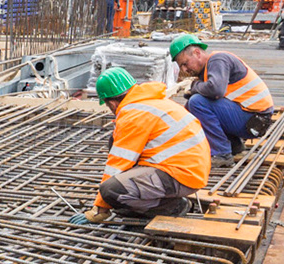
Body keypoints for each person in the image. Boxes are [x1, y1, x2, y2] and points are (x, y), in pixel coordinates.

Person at [80, 67, 210, 223]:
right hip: (188, 168)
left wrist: (100, 207)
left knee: (111, 190)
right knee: (114, 142)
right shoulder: (148, 101)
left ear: (113, 103)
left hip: (181, 174)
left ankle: (172, 207)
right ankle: (148, 199)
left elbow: (117, 166)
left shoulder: (133, 115)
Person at [170, 34, 275, 166]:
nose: (184, 69)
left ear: (197, 53)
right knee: (194, 104)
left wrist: (194, 87)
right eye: (181, 66)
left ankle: (221, 153)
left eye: (185, 63)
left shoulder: (218, 60)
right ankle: (234, 146)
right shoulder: (209, 69)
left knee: (197, 102)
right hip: (253, 119)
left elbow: (215, 90)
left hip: (255, 120)